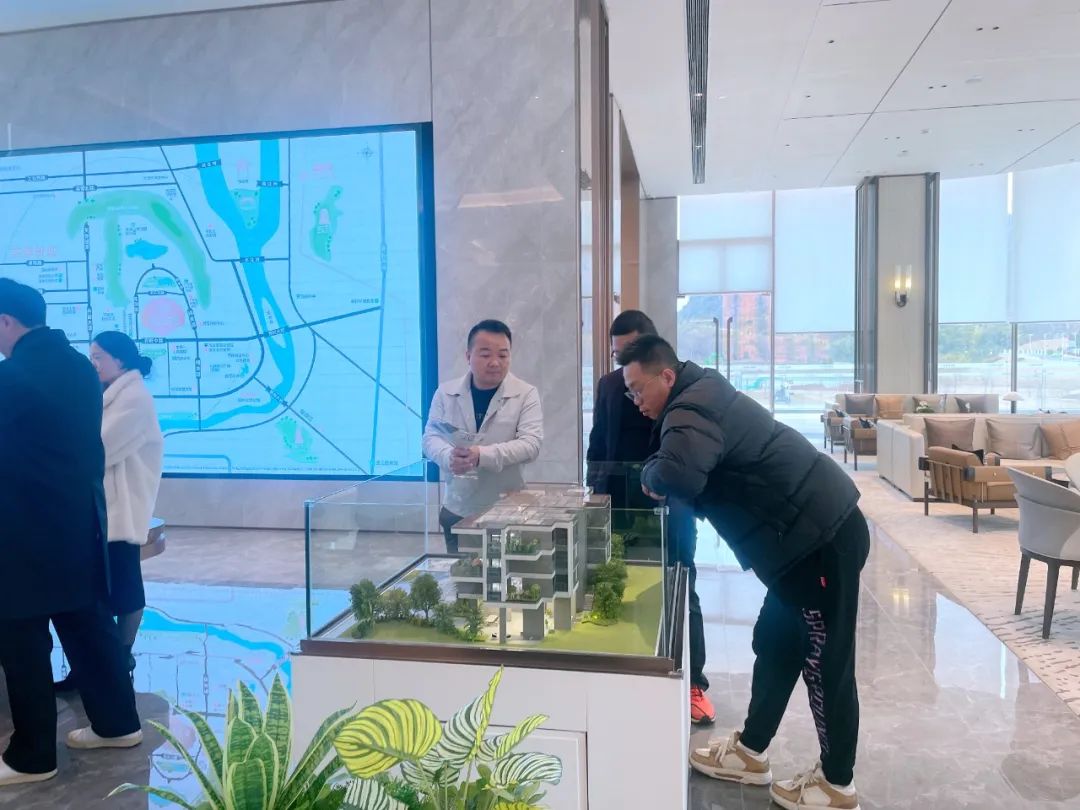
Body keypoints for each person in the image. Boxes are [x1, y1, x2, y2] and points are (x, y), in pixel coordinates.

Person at [618, 334, 869, 810]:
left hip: (820, 540)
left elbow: (678, 473)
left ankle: (838, 783)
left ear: (665, 376)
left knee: (824, 661)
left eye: (637, 389)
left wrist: (651, 475)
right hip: (800, 542)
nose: (636, 401)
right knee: (774, 642)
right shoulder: (699, 394)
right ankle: (751, 751)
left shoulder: (689, 408)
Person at [0, 280, 142, 787]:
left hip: (23, 531)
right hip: (81, 525)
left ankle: (33, 756)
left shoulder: (12, 377)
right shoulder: (80, 369)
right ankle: (118, 724)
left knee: (22, 639)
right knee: (87, 626)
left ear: (6, 321)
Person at [585, 310, 713, 726]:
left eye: (631, 350)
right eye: (617, 353)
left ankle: (693, 682)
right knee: (618, 584)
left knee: (680, 587)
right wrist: (594, 490)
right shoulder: (609, 385)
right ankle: (627, 673)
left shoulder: (676, 390)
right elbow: (598, 442)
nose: (624, 361)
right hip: (619, 507)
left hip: (670, 507)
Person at [55, 331, 163, 691]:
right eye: (92, 356)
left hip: (121, 514)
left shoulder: (134, 399)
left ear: (120, 360)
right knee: (99, 593)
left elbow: (98, 449)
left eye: (98, 357)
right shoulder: (108, 395)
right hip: (101, 512)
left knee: (125, 588)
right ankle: (97, 665)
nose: (93, 363)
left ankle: (120, 657)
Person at [422, 320, 543, 552]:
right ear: (468, 356)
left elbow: (531, 444)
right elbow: (430, 438)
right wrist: (448, 456)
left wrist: (481, 455)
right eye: (485, 354)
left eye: (503, 355)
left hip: (507, 507)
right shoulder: (446, 393)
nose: (495, 362)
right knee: (463, 572)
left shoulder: (526, 394)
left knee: (507, 572)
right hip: (458, 506)